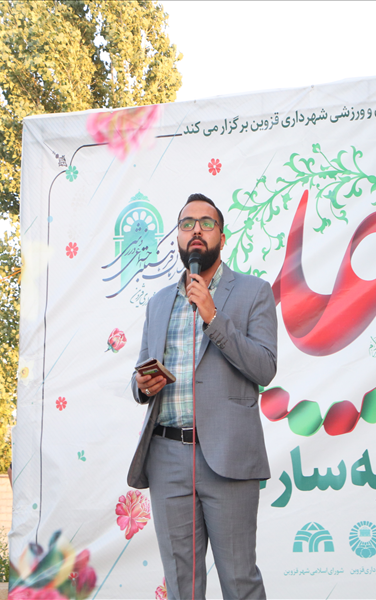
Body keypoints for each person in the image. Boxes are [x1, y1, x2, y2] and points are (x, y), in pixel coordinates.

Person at [127, 193, 277, 600]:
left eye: (206, 223)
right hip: (166, 457)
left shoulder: (255, 292)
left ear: (222, 238)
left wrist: (212, 316)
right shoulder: (159, 303)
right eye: (187, 224)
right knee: (182, 587)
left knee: (240, 582)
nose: (196, 230)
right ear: (177, 238)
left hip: (228, 458)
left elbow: (264, 367)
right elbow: (141, 369)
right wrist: (142, 385)